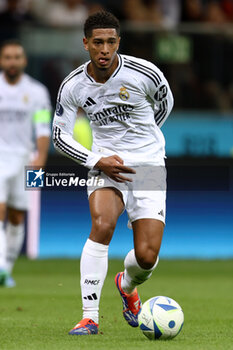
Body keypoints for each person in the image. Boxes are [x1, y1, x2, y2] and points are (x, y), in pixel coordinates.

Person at [53, 11, 173, 335]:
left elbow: (164, 105)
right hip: (105, 162)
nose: (104, 49)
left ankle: (128, 284)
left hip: (148, 166)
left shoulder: (145, 73)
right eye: (97, 43)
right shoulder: (74, 85)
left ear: (118, 42)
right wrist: (96, 159)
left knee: (147, 257)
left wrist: (144, 144)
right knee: (102, 224)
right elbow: (59, 135)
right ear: (85, 44)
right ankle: (89, 316)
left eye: (110, 42)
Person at [0, 40, 51, 287]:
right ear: (2, 61)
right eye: (7, 57)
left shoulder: (38, 91)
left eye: (16, 57)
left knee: (17, 216)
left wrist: (39, 161)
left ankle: (6, 270)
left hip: (24, 159)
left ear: (24, 61)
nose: (12, 61)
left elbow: (42, 129)